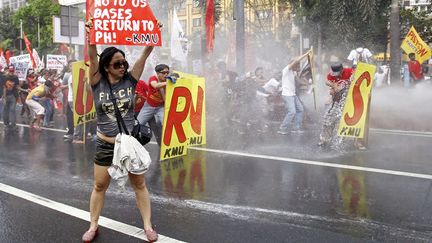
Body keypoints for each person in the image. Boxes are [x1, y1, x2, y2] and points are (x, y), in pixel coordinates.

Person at [82, 20, 158, 242]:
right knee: (99, 185)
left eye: (124, 62)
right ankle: (93, 225)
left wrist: (152, 32)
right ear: (106, 66)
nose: (123, 66)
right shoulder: (97, 82)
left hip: (129, 142)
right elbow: (92, 55)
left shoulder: (130, 80)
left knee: (140, 184)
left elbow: (145, 54)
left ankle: (147, 225)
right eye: (117, 64)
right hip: (105, 144)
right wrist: (91, 37)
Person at [318, 63, 355, 147]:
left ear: (342, 70)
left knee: (343, 121)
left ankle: (344, 141)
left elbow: (358, 74)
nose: (335, 75)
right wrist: (333, 85)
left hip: (349, 101)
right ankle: (324, 139)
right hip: (337, 101)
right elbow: (327, 81)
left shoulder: (349, 71)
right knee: (328, 119)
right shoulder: (332, 74)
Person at [136, 63, 170, 146]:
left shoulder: (169, 80)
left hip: (160, 107)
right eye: (163, 73)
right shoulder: (153, 78)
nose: (166, 74)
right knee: (138, 124)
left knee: (165, 124)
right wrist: (167, 83)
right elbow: (155, 85)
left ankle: (164, 145)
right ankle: (135, 143)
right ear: (158, 73)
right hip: (148, 106)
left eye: (167, 72)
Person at [277, 51, 310, 135]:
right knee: (292, 112)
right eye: (298, 65)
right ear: (293, 65)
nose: (299, 67)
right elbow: (295, 61)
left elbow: (298, 81)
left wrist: (307, 83)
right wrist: (306, 55)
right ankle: (282, 129)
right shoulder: (286, 70)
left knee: (300, 109)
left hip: (293, 94)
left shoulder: (293, 72)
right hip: (287, 95)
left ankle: (296, 128)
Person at [2, 65, 20, 131]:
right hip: (6, 96)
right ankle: (6, 124)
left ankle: (13, 125)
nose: (11, 72)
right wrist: (4, 97)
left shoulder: (15, 77)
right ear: (8, 71)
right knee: (6, 111)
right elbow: (4, 87)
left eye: (12, 71)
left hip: (13, 96)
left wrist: (24, 90)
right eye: (10, 71)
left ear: (14, 71)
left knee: (12, 110)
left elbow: (17, 87)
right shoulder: (5, 77)